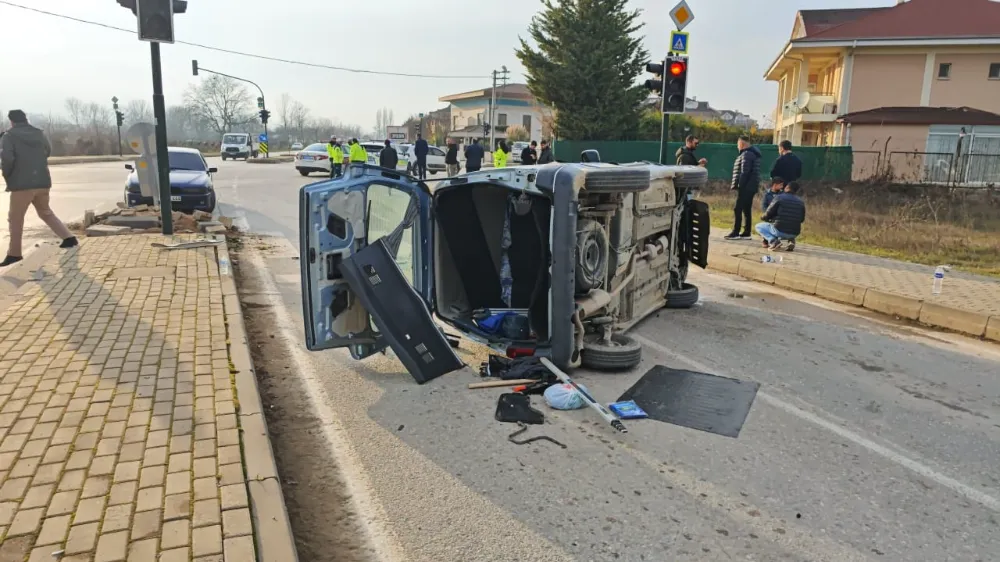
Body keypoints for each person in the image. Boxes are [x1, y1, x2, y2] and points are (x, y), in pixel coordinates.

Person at [1, 109, 77, 268]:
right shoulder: (39, 134)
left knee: (15, 218)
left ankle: (14, 254)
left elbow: (7, 158)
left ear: (11, 121)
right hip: (42, 181)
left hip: (22, 184)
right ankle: (68, 237)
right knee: (45, 211)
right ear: (25, 119)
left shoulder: (9, 136)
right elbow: (47, 151)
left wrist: (7, 175)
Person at [725, 136, 762, 240]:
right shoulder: (752, 153)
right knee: (746, 209)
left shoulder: (747, 154)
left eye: (738, 144)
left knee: (738, 209)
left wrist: (740, 185)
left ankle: (736, 232)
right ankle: (746, 232)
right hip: (751, 186)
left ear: (742, 144)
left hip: (746, 186)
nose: (737, 146)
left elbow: (744, 172)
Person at [756, 181, 806, 251]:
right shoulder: (801, 202)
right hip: (795, 233)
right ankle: (791, 240)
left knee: (759, 226)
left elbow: (768, 213)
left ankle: (774, 242)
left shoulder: (779, 197)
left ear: (787, 188)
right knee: (787, 225)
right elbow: (801, 219)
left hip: (780, 231)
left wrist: (763, 217)